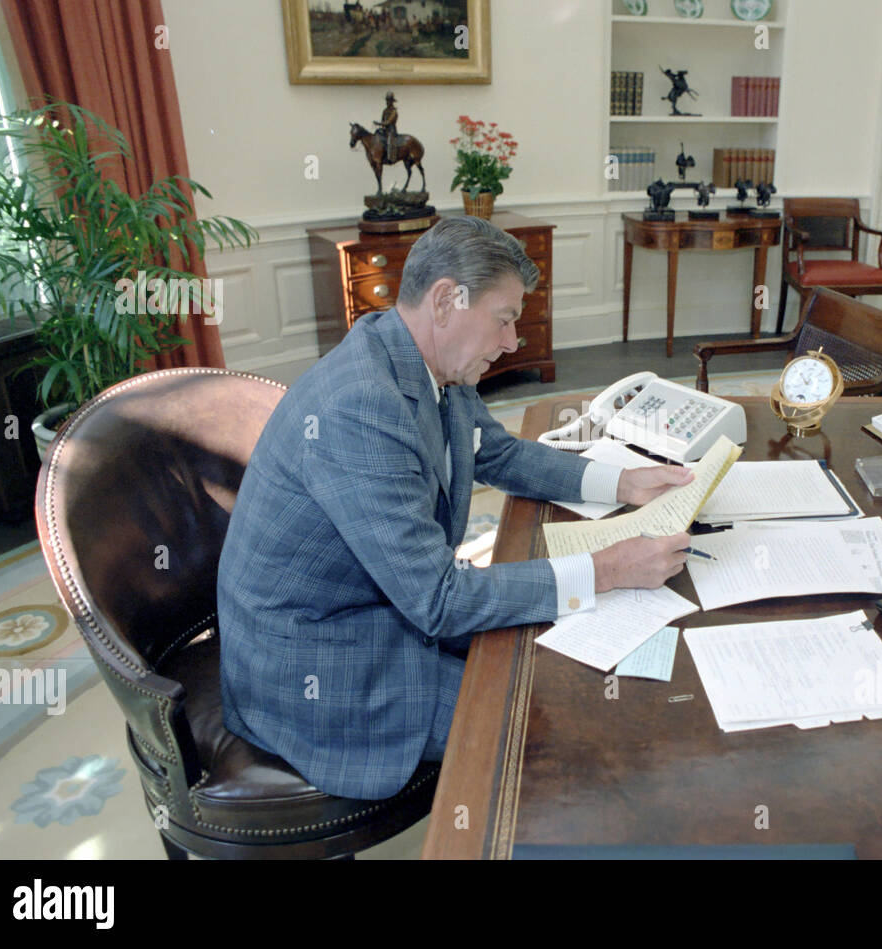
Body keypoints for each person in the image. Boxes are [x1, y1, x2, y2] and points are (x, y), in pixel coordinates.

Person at [218, 216, 693, 800]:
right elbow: (440, 600)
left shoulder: (423, 355)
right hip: (321, 664)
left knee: (559, 655)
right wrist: (609, 569)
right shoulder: (359, 407)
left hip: (386, 606)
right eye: (505, 318)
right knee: (543, 720)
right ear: (446, 300)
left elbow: (497, 453)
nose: (514, 342)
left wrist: (624, 482)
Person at [378, 92, 399, 162]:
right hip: (385, 129)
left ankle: (390, 158)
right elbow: (382, 120)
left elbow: (389, 122)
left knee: (390, 141)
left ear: (392, 101)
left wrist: (379, 123)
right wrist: (380, 125)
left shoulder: (394, 111)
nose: (387, 102)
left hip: (391, 130)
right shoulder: (384, 111)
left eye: (389, 100)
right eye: (387, 100)